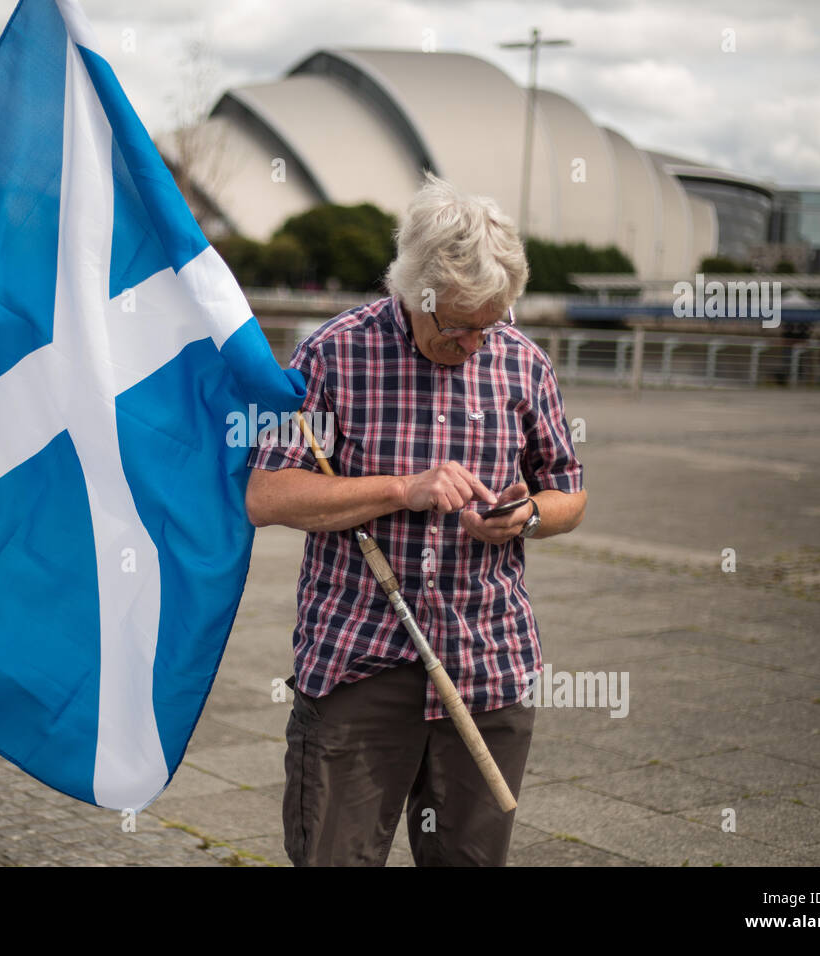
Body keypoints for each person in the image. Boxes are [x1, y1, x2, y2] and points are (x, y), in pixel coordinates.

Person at [244, 173, 586, 866]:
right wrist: (403, 489)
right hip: (359, 668)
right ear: (412, 289)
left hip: (487, 664)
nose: (473, 343)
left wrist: (523, 519)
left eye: (489, 322)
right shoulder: (334, 354)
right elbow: (268, 493)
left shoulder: (522, 363)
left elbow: (569, 495)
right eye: (456, 324)